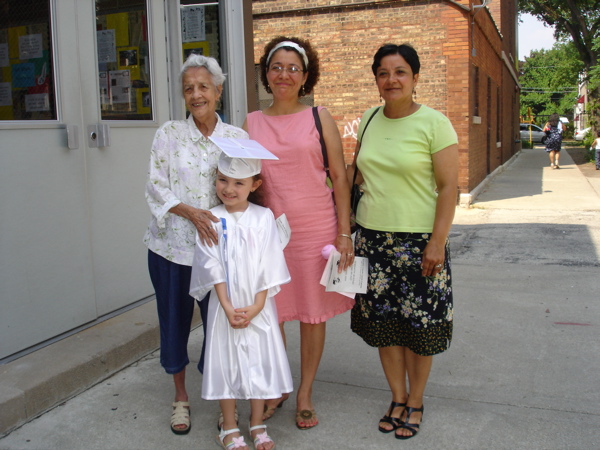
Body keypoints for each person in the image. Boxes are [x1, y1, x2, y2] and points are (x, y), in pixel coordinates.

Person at [347, 43, 458, 440]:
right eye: (382, 73)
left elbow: (449, 188)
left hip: (419, 242)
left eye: (399, 72)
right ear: (375, 79)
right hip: (373, 240)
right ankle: (397, 396)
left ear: (414, 77)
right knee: (385, 326)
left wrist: (437, 242)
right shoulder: (369, 118)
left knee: (420, 326)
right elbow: (356, 174)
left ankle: (416, 400)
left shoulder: (435, 123)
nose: (390, 80)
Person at [243, 36, 355, 430]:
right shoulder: (252, 122)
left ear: (306, 77)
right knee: (271, 314)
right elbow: (244, 179)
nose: (284, 74)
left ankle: (305, 391)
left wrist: (344, 233)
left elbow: (340, 177)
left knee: (311, 313)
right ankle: (278, 385)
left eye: (293, 68)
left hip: (314, 231)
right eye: (277, 67)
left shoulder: (318, 116)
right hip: (268, 235)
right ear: (266, 74)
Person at [143, 54, 248, 435]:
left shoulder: (237, 138)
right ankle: (181, 397)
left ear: (218, 91)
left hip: (220, 253)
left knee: (220, 325)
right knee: (173, 322)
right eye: (189, 88)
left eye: (203, 86)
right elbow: (156, 185)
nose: (196, 94)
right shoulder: (169, 134)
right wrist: (191, 212)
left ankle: (224, 399)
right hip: (171, 249)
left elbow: (249, 187)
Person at [190, 149, 292, 450]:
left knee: (258, 357)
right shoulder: (212, 218)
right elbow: (210, 264)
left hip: (257, 304)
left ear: (254, 185)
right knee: (226, 359)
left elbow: (269, 261)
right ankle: (230, 426)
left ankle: (257, 422)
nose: (228, 189)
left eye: (238, 183)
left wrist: (259, 305)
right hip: (226, 306)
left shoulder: (263, 218)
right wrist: (226, 305)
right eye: (222, 180)